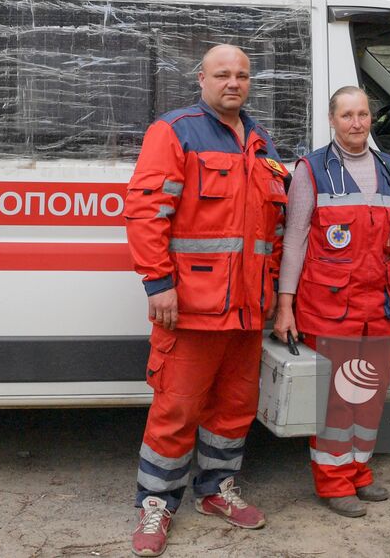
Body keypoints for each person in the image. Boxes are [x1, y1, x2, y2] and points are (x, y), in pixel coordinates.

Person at [124, 44, 290, 557]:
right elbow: (145, 211)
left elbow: (274, 232)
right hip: (191, 306)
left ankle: (216, 490)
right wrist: (159, 284)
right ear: (202, 79)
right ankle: (156, 502)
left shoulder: (260, 143)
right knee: (177, 408)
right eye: (223, 74)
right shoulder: (174, 131)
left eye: (242, 74)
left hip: (246, 309)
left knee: (235, 406)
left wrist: (277, 299)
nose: (233, 83)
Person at [272, 86, 390, 518]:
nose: (357, 123)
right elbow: (294, 242)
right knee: (336, 400)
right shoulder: (311, 170)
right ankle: (333, 482)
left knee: (370, 395)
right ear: (332, 120)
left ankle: (358, 471)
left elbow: (386, 237)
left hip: (378, 306)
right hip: (328, 307)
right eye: (347, 115)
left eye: (364, 114)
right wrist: (285, 306)